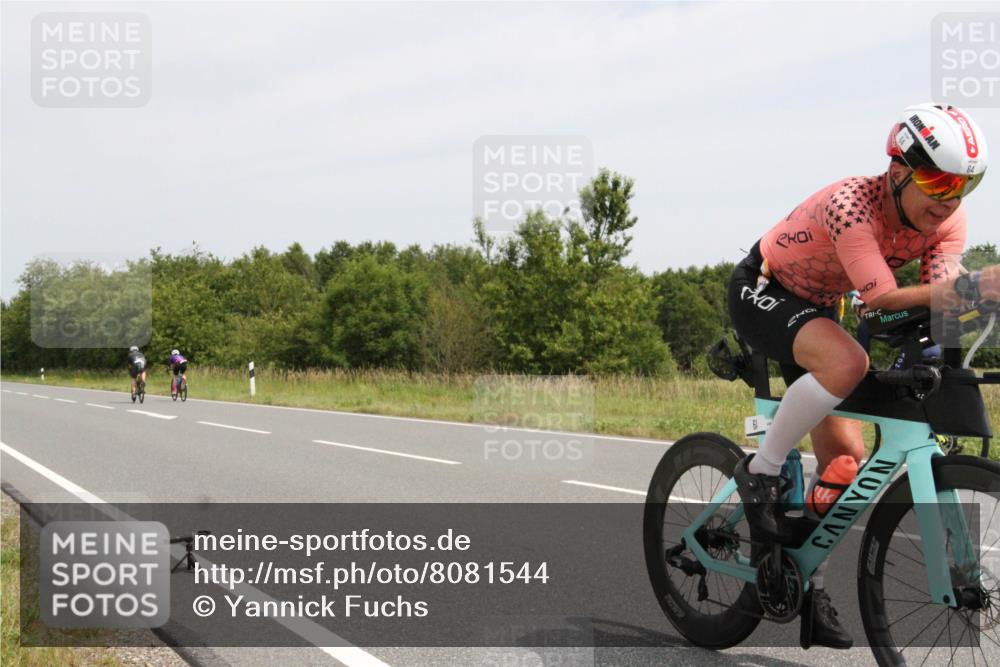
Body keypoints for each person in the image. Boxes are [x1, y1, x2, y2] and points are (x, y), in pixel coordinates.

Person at [727, 103, 990, 649]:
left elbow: (937, 310)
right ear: (897, 171)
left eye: (965, 184)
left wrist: (950, 340)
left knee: (843, 468)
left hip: (824, 305)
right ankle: (762, 467)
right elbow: (884, 305)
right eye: (937, 180)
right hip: (766, 288)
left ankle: (808, 582)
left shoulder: (946, 219)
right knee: (849, 363)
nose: (948, 200)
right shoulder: (853, 207)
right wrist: (974, 289)